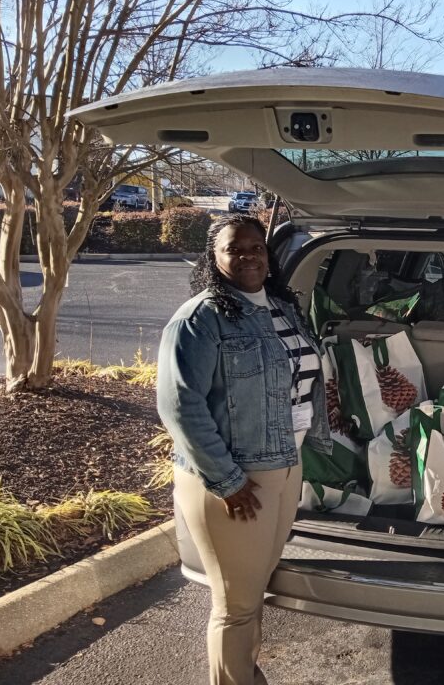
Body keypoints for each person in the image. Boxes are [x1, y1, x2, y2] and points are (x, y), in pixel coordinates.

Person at [157, 213, 331, 685]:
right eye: (235, 248)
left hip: (284, 467)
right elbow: (180, 408)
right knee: (234, 606)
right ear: (214, 256)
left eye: (257, 247)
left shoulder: (280, 307)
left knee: (254, 594)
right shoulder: (201, 317)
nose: (249, 256)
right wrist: (229, 482)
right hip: (235, 479)